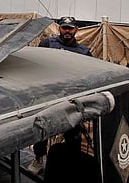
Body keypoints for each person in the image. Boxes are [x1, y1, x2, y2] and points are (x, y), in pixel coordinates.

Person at [27, 16, 92, 175]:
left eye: (70, 28)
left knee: (73, 134)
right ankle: (38, 158)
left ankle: (68, 165)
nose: (67, 31)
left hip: (71, 99)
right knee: (42, 129)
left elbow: (90, 75)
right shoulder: (47, 44)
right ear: (59, 29)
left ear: (76, 30)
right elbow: (35, 66)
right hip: (48, 96)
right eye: (64, 28)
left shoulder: (84, 51)